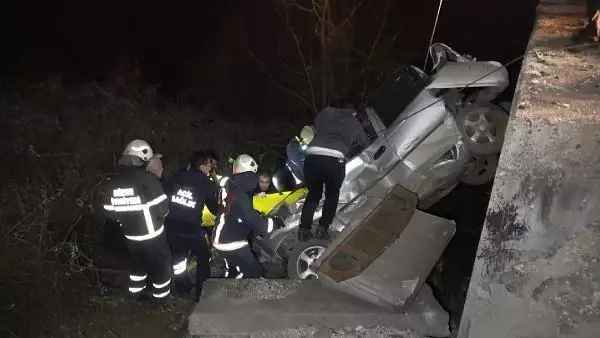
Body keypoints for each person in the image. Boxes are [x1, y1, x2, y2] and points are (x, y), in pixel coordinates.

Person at [100, 139, 172, 301]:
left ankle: (134, 296)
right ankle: (160, 300)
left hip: (130, 237)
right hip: (153, 237)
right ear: (143, 159)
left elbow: (109, 212)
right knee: (162, 267)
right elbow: (163, 210)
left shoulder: (113, 183)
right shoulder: (148, 180)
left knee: (137, 266)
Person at [298, 103, 369, 242]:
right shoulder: (355, 123)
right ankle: (322, 229)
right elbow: (365, 143)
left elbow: (317, 124)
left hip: (312, 157)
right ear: (354, 112)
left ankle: (304, 230)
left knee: (313, 194)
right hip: (334, 160)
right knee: (332, 195)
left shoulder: (325, 113)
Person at [212, 154, 284, 278]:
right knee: (255, 273)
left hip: (220, 238)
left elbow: (236, 211)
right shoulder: (241, 194)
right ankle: (246, 295)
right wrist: (274, 222)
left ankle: (229, 291)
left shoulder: (230, 186)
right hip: (232, 242)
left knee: (235, 272)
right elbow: (254, 222)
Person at [164, 150, 219, 302]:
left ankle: (182, 288)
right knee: (203, 257)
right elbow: (215, 209)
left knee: (178, 259)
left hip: (171, 225)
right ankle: (201, 294)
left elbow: (165, 195)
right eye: (209, 165)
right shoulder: (206, 183)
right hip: (191, 228)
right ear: (202, 166)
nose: (211, 168)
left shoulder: (176, 176)